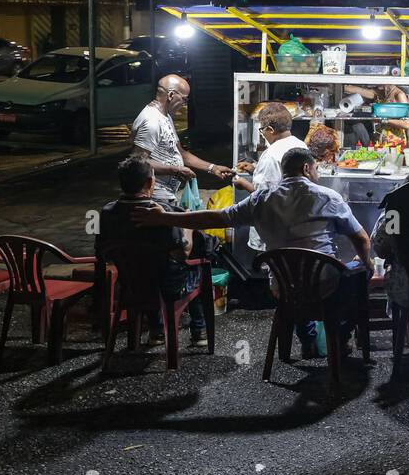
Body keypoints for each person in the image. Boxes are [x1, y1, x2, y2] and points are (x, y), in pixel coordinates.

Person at [134, 147, 372, 359]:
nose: (317, 173)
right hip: (325, 285)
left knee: (299, 284)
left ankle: (308, 341)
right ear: (307, 167)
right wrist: (366, 264)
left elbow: (215, 217)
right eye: (316, 168)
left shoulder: (261, 199)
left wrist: (165, 217)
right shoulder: (328, 197)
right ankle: (340, 340)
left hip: (283, 287)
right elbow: (361, 239)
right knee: (358, 274)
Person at [97, 154, 207, 346]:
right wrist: (188, 224)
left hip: (130, 284)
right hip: (169, 287)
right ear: (149, 182)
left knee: (145, 266)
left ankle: (157, 331)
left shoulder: (106, 213)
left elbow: (101, 250)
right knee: (197, 264)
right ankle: (199, 330)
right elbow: (184, 252)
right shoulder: (165, 213)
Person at [131, 74, 234, 206]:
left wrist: (212, 168)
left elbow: (181, 153)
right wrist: (175, 170)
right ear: (171, 95)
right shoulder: (152, 121)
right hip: (153, 196)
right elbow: (137, 162)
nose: (184, 104)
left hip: (165, 194)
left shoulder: (164, 116)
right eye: (184, 99)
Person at [234, 104, 308, 259]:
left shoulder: (270, 155)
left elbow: (265, 196)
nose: (262, 134)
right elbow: (287, 179)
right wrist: (255, 170)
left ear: (270, 130)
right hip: (297, 225)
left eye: (262, 130)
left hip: (274, 231)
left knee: (276, 274)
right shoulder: (301, 145)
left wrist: (243, 184)